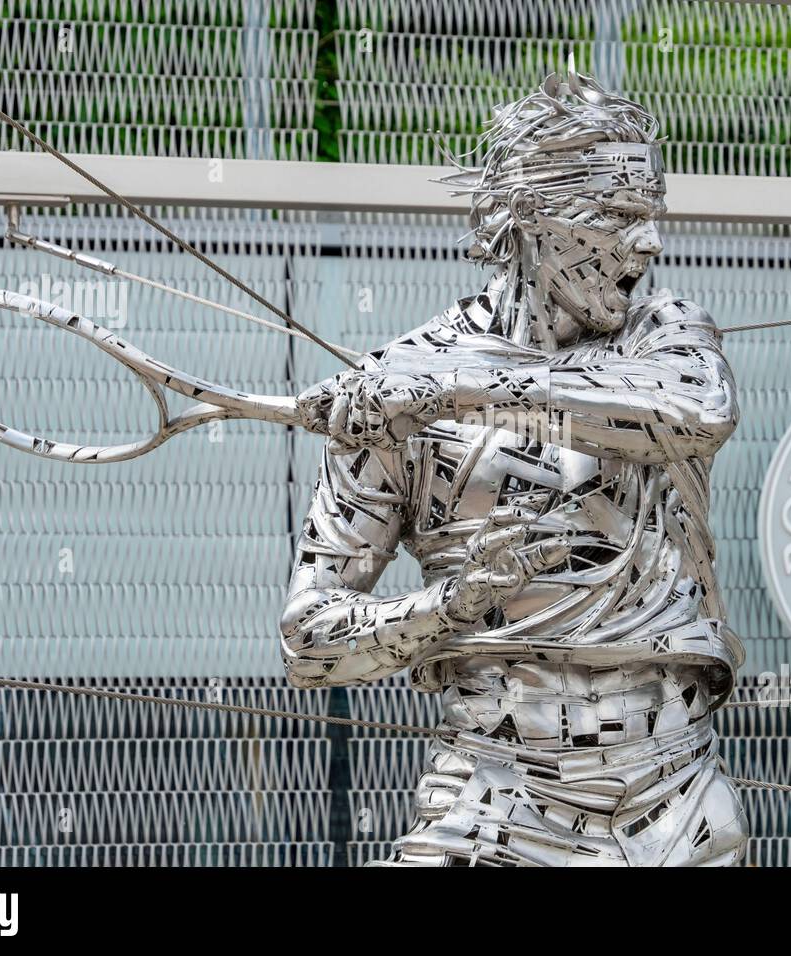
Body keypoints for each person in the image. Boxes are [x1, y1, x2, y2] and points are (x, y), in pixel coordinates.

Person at [282, 67, 748, 866]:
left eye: (652, 214)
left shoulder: (662, 336)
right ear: (532, 214)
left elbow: (696, 413)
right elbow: (311, 642)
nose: (650, 242)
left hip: (672, 803)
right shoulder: (396, 387)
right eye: (619, 215)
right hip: (494, 795)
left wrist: (455, 390)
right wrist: (452, 607)